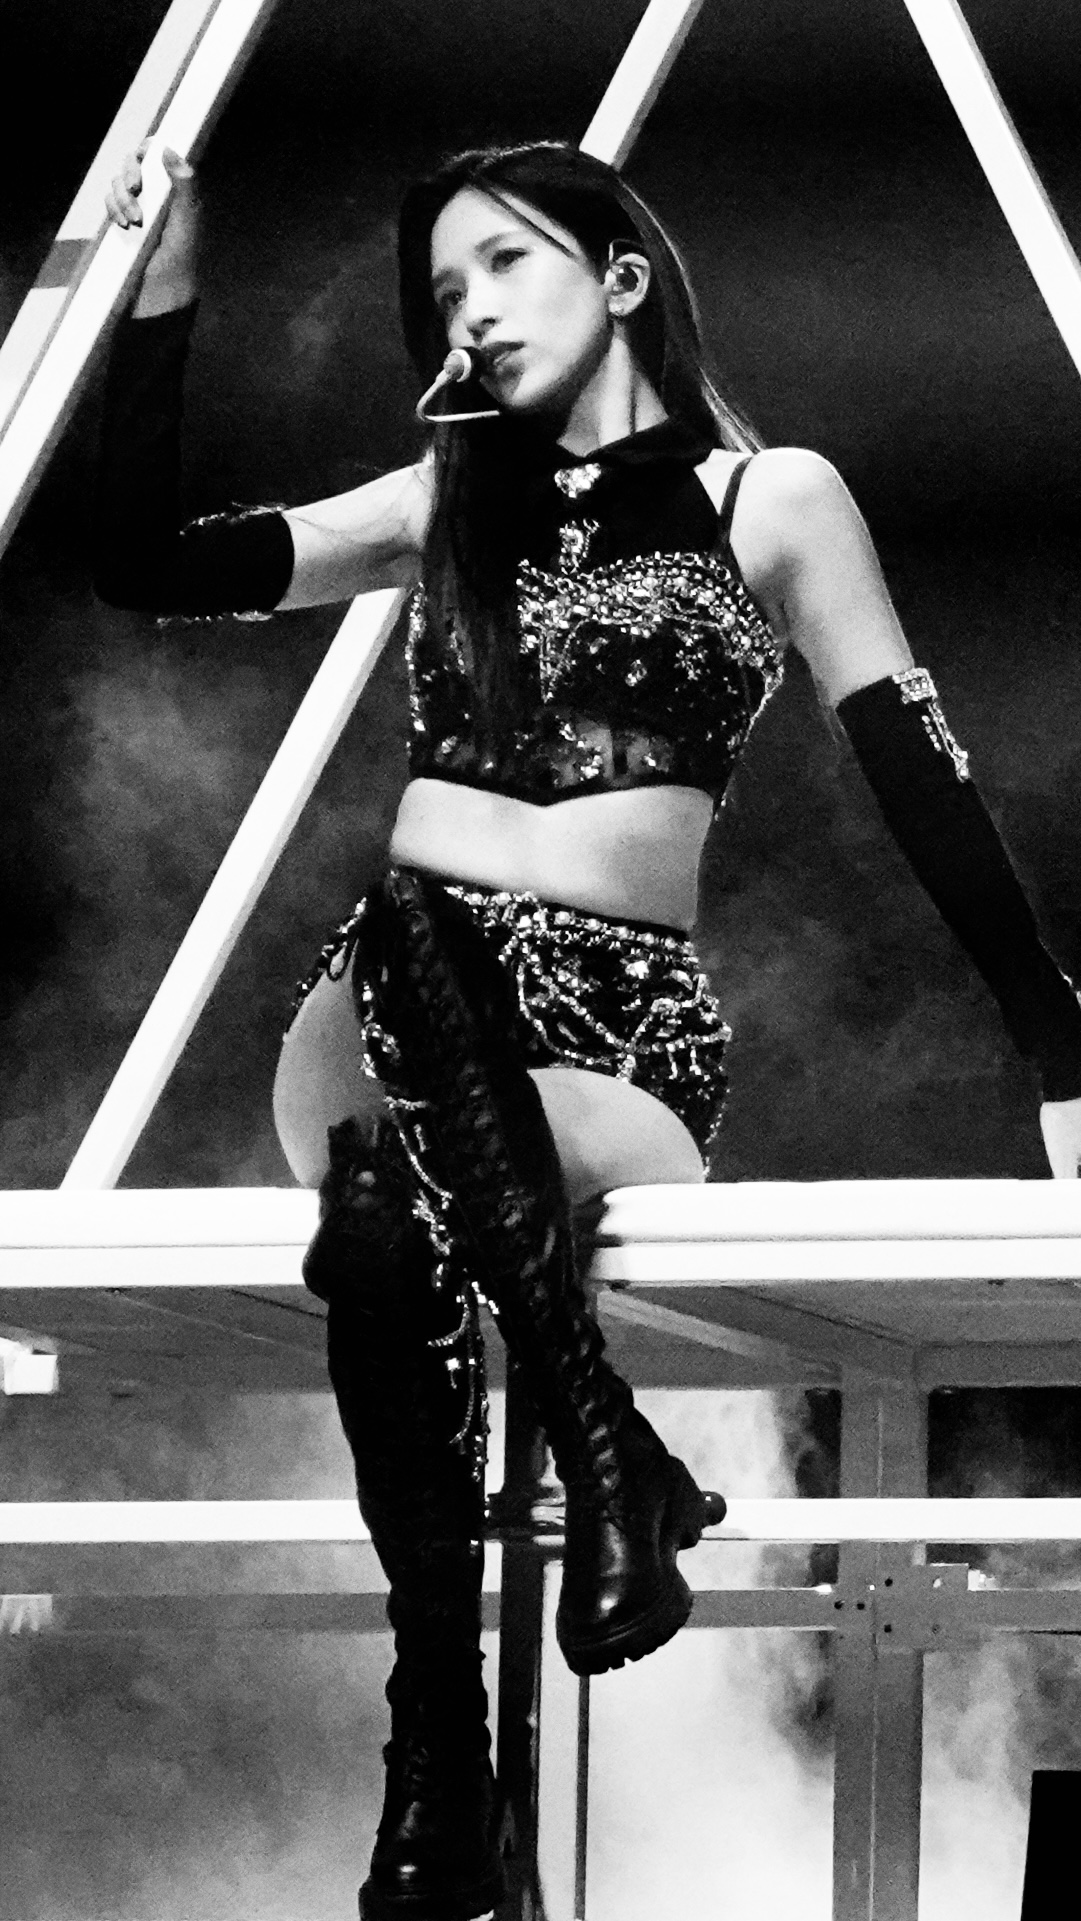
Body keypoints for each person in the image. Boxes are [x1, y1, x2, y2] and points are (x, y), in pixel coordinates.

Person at [98, 139, 1081, 1921]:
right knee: (412, 936)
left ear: (620, 274)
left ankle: (440, 1752)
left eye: (501, 263)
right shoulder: (441, 501)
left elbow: (916, 775)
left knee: (381, 1215)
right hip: (377, 1012)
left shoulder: (767, 496)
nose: (466, 312)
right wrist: (157, 299)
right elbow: (146, 563)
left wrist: (1054, 1031)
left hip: (606, 1033)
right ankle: (595, 1458)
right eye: (440, 291)